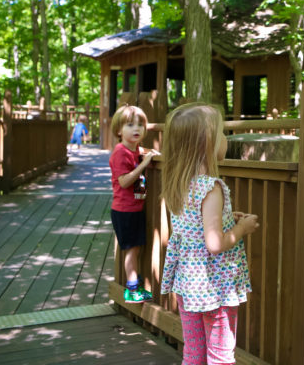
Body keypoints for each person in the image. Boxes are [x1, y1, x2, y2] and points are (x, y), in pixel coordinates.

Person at [160, 103, 259, 364]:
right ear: (207, 143)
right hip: (214, 288)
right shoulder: (211, 187)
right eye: (222, 134)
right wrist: (241, 228)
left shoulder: (179, 183)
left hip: (187, 285)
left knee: (194, 353)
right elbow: (214, 243)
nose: (225, 140)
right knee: (220, 356)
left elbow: (194, 226)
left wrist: (228, 217)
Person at [109, 104, 157, 303]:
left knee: (135, 249)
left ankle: (134, 287)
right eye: (130, 125)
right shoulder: (120, 152)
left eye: (140, 125)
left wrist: (149, 155)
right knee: (131, 249)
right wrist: (145, 164)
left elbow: (142, 155)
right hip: (124, 210)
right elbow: (124, 181)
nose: (136, 129)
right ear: (119, 131)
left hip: (134, 208)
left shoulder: (135, 149)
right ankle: (131, 290)